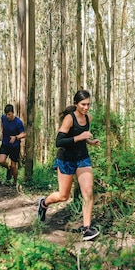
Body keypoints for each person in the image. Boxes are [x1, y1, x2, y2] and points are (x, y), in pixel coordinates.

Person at [37, 89, 100, 241]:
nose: (86, 107)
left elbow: (83, 135)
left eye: (88, 104)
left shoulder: (88, 118)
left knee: (88, 192)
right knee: (63, 196)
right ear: (76, 104)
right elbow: (59, 141)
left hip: (82, 159)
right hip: (66, 159)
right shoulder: (69, 119)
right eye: (83, 104)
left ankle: (86, 229)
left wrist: (90, 141)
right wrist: (79, 137)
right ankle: (44, 203)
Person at [0, 104, 26, 186]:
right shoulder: (3, 118)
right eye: (6, 114)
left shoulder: (18, 122)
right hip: (5, 144)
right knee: (1, 161)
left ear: (13, 113)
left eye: (9, 114)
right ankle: (8, 168)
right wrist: (1, 133)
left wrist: (16, 137)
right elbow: (2, 124)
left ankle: (15, 182)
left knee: (14, 166)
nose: (8, 116)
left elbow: (23, 134)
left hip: (15, 146)